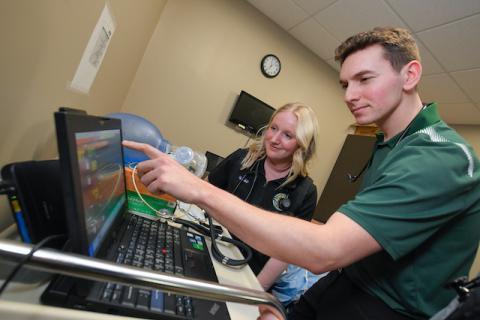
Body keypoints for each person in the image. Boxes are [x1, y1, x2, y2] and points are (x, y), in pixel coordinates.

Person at [123, 26, 480, 320]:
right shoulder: (390, 143)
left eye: (364, 79)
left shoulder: (441, 155)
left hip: (385, 309)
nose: (350, 95)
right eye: (345, 84)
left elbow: (326, 249)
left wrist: (197, 189)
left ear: (410, 74)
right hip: (342, 285)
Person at [206, 102, 327, 309]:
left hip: (250, 275)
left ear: (302, 144)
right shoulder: (240, 159)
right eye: (273, 128)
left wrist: (252, 294)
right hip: (210, 250)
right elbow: (207, 195)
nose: (274, 139)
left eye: (288, 135)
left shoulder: (305, 192)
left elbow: (285, 253)